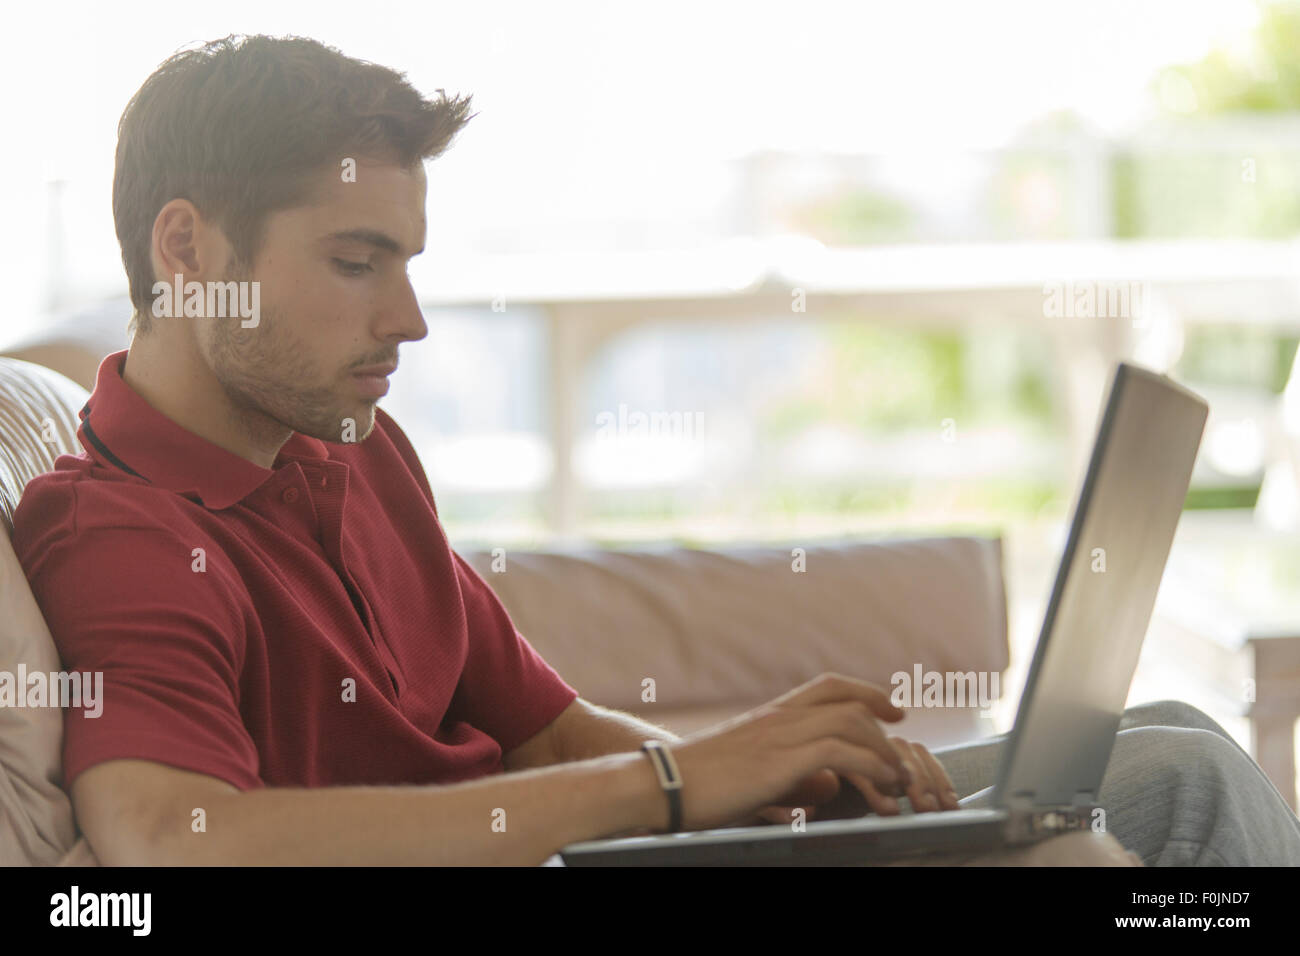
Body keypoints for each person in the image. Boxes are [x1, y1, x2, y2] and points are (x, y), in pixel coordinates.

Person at [13, 34, 1300, 867]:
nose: (404, 318)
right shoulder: (121, 528)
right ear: (186, 252)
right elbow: (164, 839)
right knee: (1162, 792)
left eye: (406, 264)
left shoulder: (353, 450)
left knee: (1172, 732)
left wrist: (780, 782)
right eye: (356, 263)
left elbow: (552, 731)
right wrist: (685, 782)